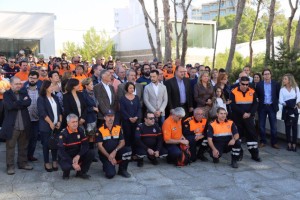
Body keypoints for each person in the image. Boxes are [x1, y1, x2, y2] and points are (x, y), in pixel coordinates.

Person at [1, 77, 33, 175]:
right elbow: (9, 106)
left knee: (23, 146)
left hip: (24, 124)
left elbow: (29, 102)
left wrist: (17, 103)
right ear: (11, 84)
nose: (19, 85)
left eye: (20, 83)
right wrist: (21, 103)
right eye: (16, 84)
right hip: (12, 126)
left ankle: (22, 163)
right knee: (10, 147)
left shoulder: (23, 92)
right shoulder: (6, 94)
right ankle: (10, 166)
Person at [231, 76, 261, 162]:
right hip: (237, 118)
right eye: (243, 84)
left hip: (249, 118)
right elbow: (233, 105)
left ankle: (255, 155)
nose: (245, 86)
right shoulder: (233, 91)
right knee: (237, 137)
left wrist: (250, 113)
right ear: (239, 83)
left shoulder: (252, 91)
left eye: (247, 84)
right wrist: (243, 113)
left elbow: (255, 104)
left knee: (252, 136)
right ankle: (236, 157)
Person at [96, 109, 132, 179]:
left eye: (112, 116)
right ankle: (106, 165)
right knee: (110, 175)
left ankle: (122, 170)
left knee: (128, 150)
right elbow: (100, 146)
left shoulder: (118, 128)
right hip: (105, 155)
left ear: (114, 117)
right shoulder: (100, 130)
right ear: (104, 118)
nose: (110, 118)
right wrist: (109, 156)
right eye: (108, 116)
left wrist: (114, 151)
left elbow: (122, 142)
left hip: (116, 152)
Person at [58, 114, 94, 179]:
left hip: (77, 154)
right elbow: (61, 152)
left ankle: (81, 172)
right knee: (66, 166)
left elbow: (86, 145)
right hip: (67, 156)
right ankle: (66, 173)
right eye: (73, 122)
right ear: (68, 123)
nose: (75, 124)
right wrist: (72, 162)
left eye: (76, 121)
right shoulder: (63, 134)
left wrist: (78, 155)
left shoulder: (80, 130)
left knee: (91, 153)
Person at [37, 80, 62, 172]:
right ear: (46, 88)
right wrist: (51, 123)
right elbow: (42, 113)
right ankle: (47, 162)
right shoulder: (41, 98)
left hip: (56, 125)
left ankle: (54, 160)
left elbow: (59, 110)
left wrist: (59, 121)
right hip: (46, 126)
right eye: (51, 86)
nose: (53, 88)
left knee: (55, 143)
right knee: (46, 145)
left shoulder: (55, 97)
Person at [255, 69, 280, 149]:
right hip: (262, 107)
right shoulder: (259, 84)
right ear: (263, 76)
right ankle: (263, 141)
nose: (266, 76)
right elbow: (257, 95)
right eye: (265, 74)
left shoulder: (276, 84)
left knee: (274, 126)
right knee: (261, 126)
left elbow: (278, 95)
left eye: (268, 74)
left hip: (272, 107)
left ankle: (274, 142)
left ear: (270, 75)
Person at [22, 71, 41, 162]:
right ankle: (23, 157)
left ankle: (30, 155)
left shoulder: (40, 90)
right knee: (24, 139)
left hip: (36, 118)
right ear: (28, 78)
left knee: (34, 139)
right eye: (30, 78)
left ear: (37, 79)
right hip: (25, 118)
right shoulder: (23, 89)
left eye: (34, 78)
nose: (32, 80)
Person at [279, 74, 300, 152]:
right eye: (283, 79)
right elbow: (281, 100)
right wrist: (288, 104)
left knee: (294, 127)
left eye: (285, 79)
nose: (283, 80)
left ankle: (294, 144)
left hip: (294, 110)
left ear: (289, 80)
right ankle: (289, 143)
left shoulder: (296, 88)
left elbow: (298, 98)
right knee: (287, 128)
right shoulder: (282, 90)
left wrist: (295, 104)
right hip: (287, 110)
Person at [120, 82, 141, 148]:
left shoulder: (136, 97)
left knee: (135, 136)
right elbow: (122, 110)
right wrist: (129, 118)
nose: (132, 89)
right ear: (127, 88)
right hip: (126, 121)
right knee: (127, 135)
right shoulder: (123, 98)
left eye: (133, 88)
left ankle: (135, 151)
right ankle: (128, 151)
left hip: (136, 120)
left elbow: (139, 108)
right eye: (130, 88)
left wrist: (136, 117)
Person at [82, 78, 99, 160]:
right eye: (91, 85)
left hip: (94, 118)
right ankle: (88, 154)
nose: (93, 86)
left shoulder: (93, 93)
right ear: (86, 86)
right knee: (89, 136)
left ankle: (92, 154)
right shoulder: (83, 94)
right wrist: (93, 109)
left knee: (93, 136)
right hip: (88, 118)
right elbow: (84, 108)